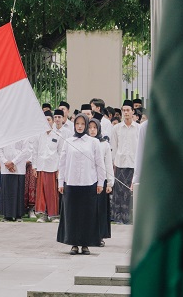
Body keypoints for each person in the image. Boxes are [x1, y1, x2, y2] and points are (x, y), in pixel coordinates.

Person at [57, 113, 106, 254]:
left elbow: (99, 164)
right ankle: (73, 243)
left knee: (87, 215)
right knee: (72, 215)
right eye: (77, 124)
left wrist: (100, 182)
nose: (79, 126)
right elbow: (63, 163)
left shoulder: (93, 142)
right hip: (71, 183)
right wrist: (61, 181)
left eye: (82, 124)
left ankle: (85, 244)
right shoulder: (68, 141)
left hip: (88, 183)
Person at [110, 100, 140, 224]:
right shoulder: (116, 128)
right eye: (124, 110)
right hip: (120, 164)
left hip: (133, 164)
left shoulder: (139, 128)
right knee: (119, 192)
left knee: (131, 193)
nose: (126, 113)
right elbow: (114, 146)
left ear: (133, 112)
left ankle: (130, 218)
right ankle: (119, 218)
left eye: (128, 110)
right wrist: (113, 164)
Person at [88, 116, 114, 244]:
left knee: (100, 210)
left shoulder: (104, 144)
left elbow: (108, 164)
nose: (92, 130)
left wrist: (109, 182)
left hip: (101, 181)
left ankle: (100, 236)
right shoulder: (84, 142)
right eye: (90, 127)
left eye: (95, 128)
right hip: (87, 180)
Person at [32, 111, 62, 222]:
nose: (47, 122)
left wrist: (59, 169)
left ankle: (53, 215)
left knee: (52, 192)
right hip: (41, 167)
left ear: (53, 121)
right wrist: (34, 167)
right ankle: (42, 215)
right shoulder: (38, 135)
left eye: (49, 119)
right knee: (41, 192)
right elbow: (34, 152)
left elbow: (60, 153)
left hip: (52, 167)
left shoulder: (58, 135)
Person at [0, 139, 31, 221]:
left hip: (19, 167)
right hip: (5, 167)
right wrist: (6, 162)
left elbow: (25, 151)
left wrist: (13, 162)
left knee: (18, 192)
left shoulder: (23, 135)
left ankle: (18, 215)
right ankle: (7, 215)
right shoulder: (3, 135)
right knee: (7, 192)